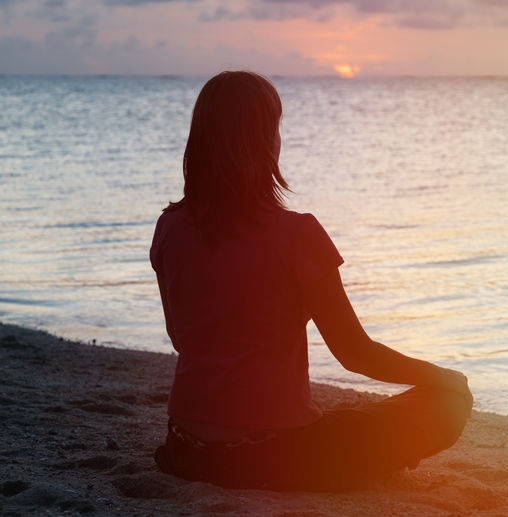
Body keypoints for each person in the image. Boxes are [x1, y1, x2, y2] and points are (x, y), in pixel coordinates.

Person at [150, 70, 472, 492]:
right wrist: (443, 377)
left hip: (186, 451)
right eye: (275, 129)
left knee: (342, 417)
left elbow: (181, 337)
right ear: (264, 141)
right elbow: (356, 354)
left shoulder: (169, 227)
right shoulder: (297, 234)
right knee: (448, 402)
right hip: (276, 456)